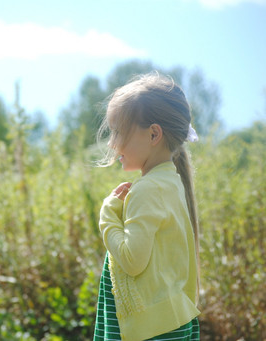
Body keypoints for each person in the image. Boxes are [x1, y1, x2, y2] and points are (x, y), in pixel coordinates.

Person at [93, 73, 201, 341]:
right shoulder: (171, 182)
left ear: (153, 134)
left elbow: (131, 261)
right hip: (171, 321)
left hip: (150, 331)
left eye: (118, 131)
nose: (111, 142)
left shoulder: (147, 189)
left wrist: (107, 215)